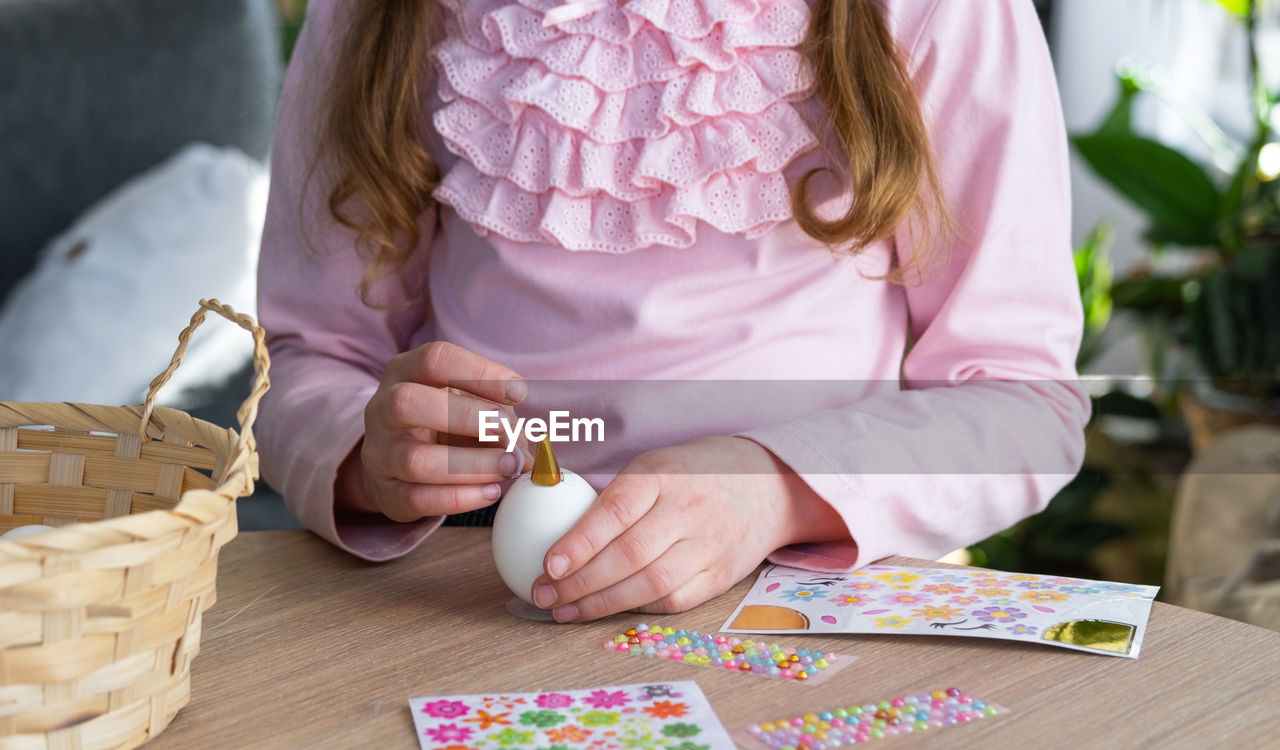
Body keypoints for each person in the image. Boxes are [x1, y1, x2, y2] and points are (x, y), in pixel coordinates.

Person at [257, 0, 1090, 623]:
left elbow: (1024, 399)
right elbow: (304, 359)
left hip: (796, 596)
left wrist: (778, 489)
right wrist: (365, 458)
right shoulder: (377, 15)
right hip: (457, 596)